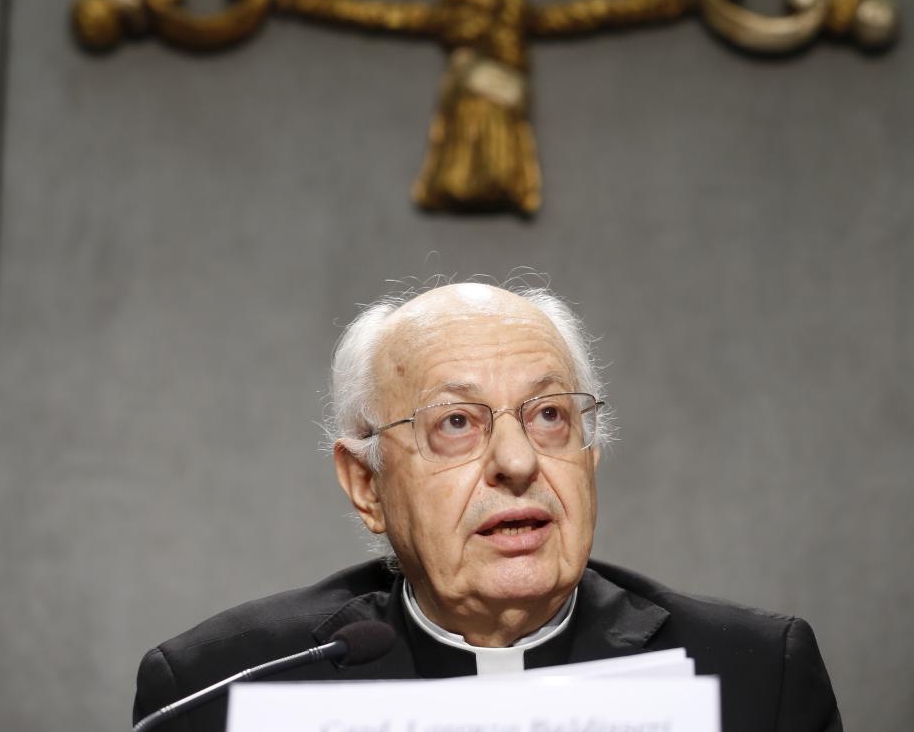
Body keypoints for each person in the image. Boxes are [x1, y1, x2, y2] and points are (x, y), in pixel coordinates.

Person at [133, 281, 842, 731]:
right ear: (366, 484)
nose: (517, 461)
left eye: (549, 416)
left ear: (589, 457)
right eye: (457, 423)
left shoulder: (753, 675)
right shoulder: (221, 690)